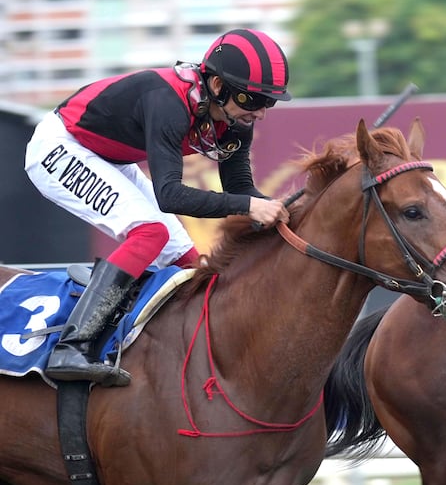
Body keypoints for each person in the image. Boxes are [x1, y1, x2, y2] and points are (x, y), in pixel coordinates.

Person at [24, 28, 293, 387]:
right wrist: (250, 206)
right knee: (151, 232)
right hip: (60, 146)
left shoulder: (236, 121)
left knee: (189, 261)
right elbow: (171, 197)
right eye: (252, 100)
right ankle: (72, 347)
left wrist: (284, 209)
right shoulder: (169, 103)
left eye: (269, 103)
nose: (260, 113)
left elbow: (241, 190)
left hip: (111, 158)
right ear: (217, 87)